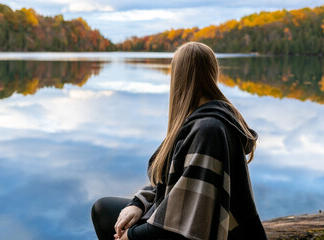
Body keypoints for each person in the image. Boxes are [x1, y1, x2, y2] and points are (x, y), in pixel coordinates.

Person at [91, 41, 268, 240]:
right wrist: (138, 204)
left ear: (178, 76)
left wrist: (131, 236)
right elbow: (173, 185)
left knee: (106, 215)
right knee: (103, 208)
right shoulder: (204, 118)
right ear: (212, 72)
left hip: (201, 231)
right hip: (183, 222)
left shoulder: (208, 130)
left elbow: (183, 219)